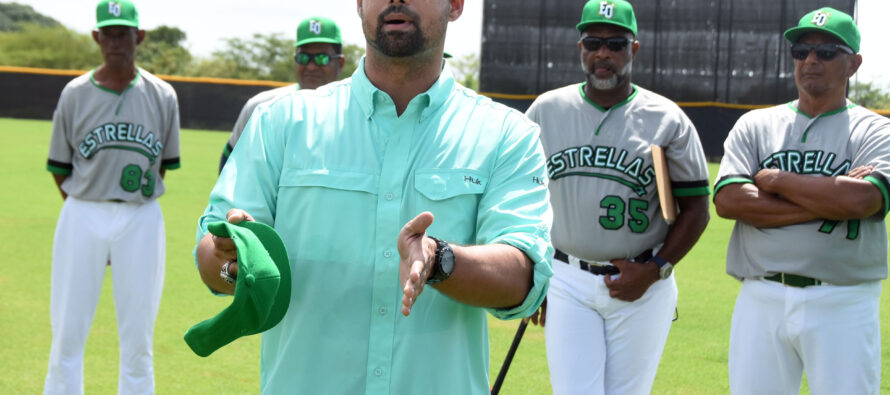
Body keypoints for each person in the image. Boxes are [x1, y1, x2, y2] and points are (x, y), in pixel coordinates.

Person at [193, 0, 553, 393]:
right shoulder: (280, 123)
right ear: (360, 4)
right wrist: (233, 259)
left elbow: (523, 278)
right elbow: (209, 257)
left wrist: (438, 260)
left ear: (455, 5)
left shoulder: (506, 135)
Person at [525, 1, 711, 393]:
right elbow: (525, 197)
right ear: (580, 48)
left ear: (634, 49)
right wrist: (538, 274)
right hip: (566, 278)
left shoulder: (667, 118)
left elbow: (697, 208)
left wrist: (657, 267)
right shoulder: (546, 110)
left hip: (642, 281)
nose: (602, 53)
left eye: (615, 43)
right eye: (593, 42)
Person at [714, 7, 890, 394]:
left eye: (827, 52)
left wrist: (776, 180)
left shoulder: (875, 129)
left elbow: (863, 201)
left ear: (853, 63)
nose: (811, 60)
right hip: (761, 295)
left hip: (843, 298)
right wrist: (830, 195)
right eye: (801, 51)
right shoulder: (756, 124)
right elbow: (728, 201)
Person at [43, 1, 181, 394]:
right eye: (108, 33)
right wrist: (89, 211)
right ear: (96, 37)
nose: (115, 41)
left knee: (139, 336)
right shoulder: (74, 93)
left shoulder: (163, 95)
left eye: (123, 33)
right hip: (82, 211)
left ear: (139, 37)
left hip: (141, 215)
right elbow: (60, 169)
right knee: (67, 329)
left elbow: (162, 165)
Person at [219, 16, 345, 172]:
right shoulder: (260, 107)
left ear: (340, 63)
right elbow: (229, 162)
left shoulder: (356, 113)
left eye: (321, 58)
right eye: (303, 57)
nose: (311, 66)